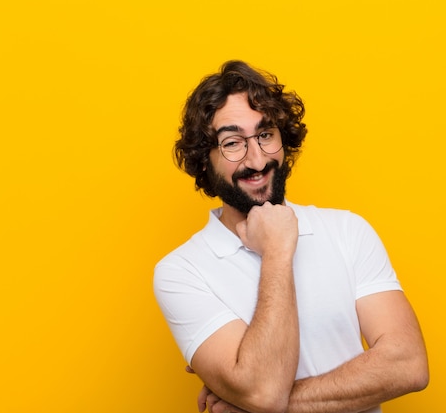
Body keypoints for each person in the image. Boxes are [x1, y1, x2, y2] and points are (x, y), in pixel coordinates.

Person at [153, 60, 429, 413]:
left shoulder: (347, 231)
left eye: (266, 135)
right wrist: (278, 249)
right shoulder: (181, 272)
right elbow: (263, 393)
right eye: (232, 143)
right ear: (203, 160)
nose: (256, 159)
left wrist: (258, 403)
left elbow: (408, 365)